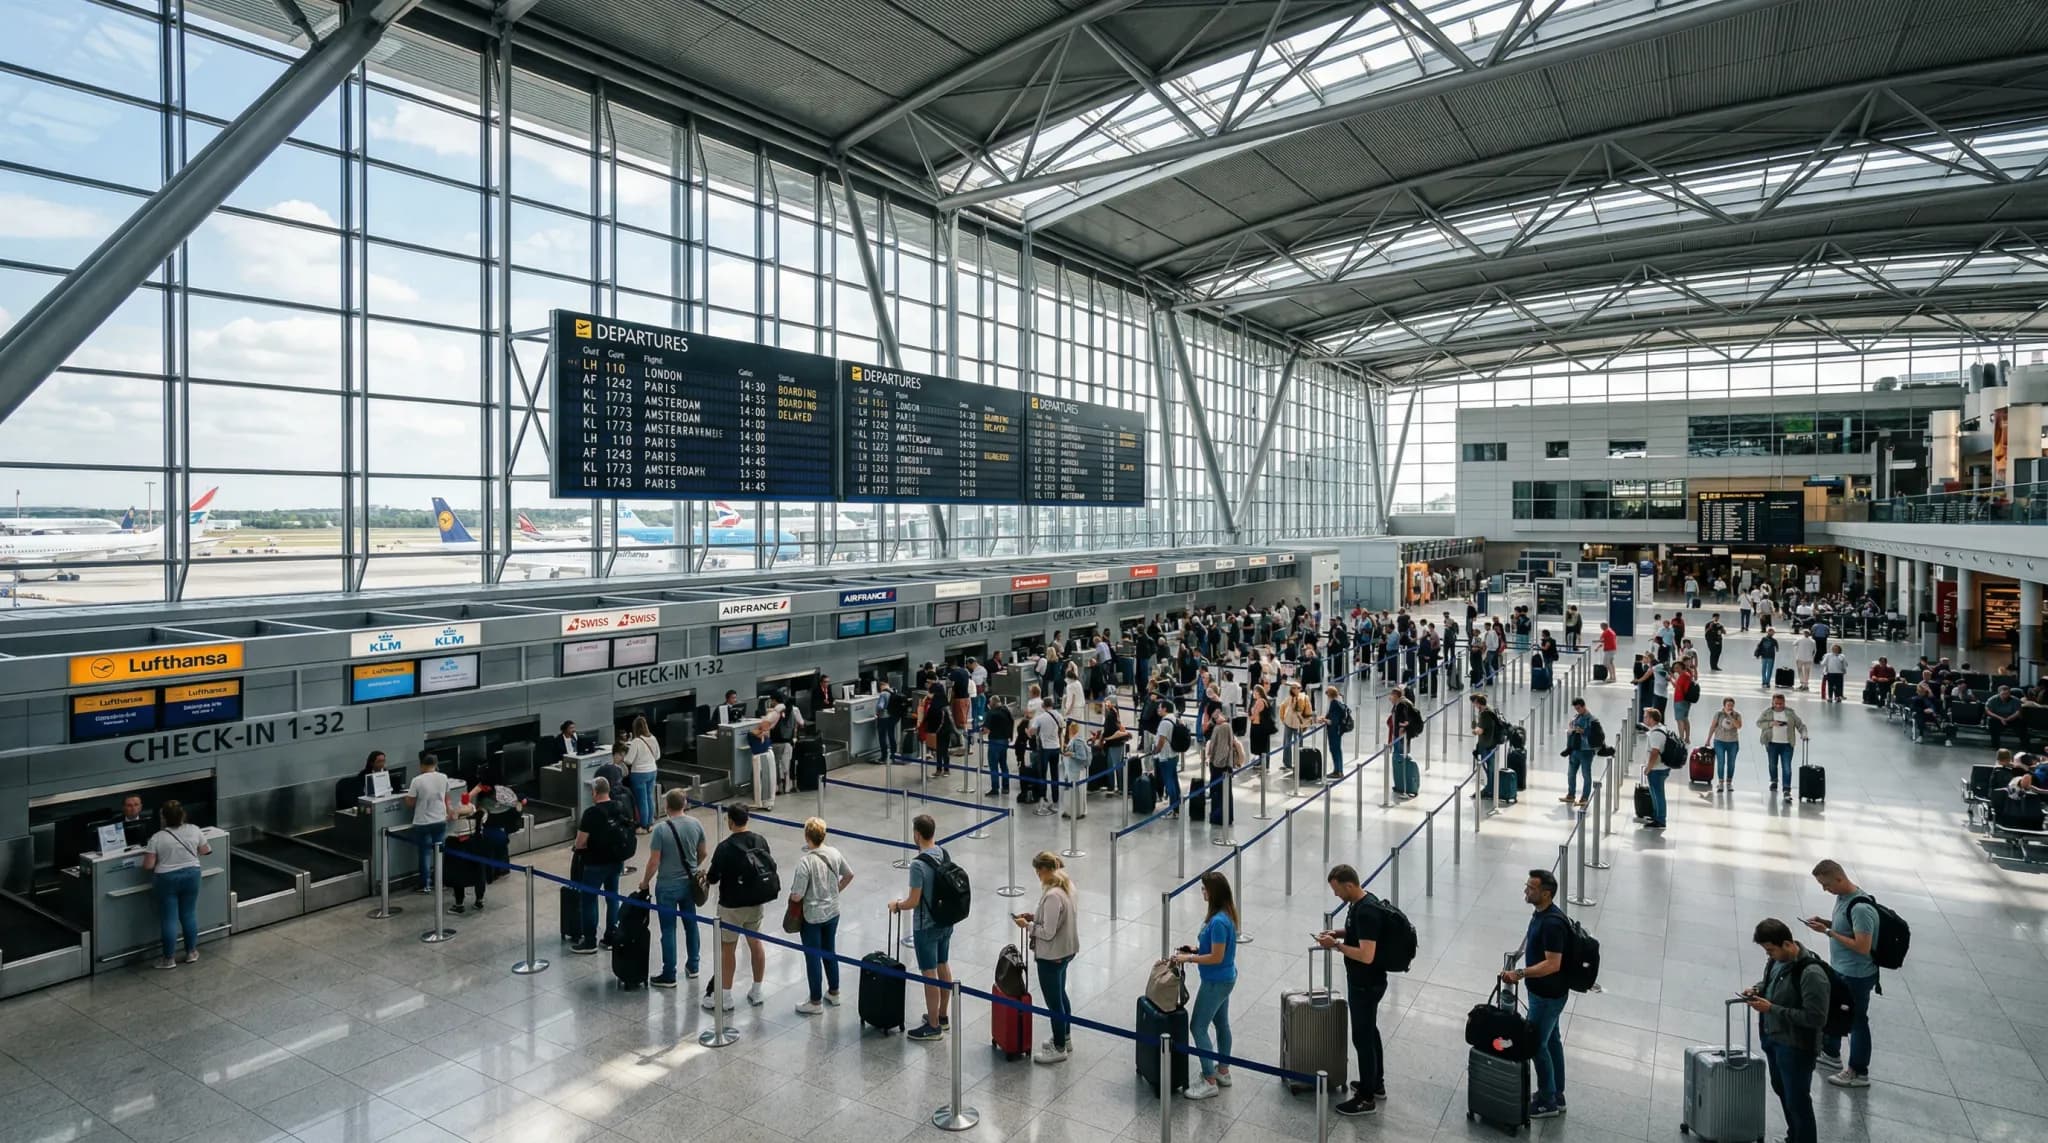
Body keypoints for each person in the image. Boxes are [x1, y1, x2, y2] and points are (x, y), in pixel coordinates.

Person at [1743, 919, 1831, 1143]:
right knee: (1782, 1090)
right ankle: (1793, 1137)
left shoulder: (1811, 973)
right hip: (1773, 1038)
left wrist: (1772, 1009)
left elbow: (1816, 1017)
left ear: (1787, 944)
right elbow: (1769, 984)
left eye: (1771, 950)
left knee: (1797, 1100)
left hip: (1796, 1046)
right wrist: (1756, 989)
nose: (1769, 955)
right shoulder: (1776, 961)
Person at [1499, 868, 1571, 1118]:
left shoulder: (1552, 924)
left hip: (1548, 996)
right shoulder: (1541, 914)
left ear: (1547, 894)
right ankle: (1556, 1093)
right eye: (1527, 885)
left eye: (1531, 888)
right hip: (1546, 993)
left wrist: (1520, 974)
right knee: (1551, 1041)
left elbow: (1553, 964)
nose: (1526, 891)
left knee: (1536, 1044)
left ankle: (1546, 1101)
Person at [1316, 865, 1387, 1116]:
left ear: (1349, 885)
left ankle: (1366, 1098)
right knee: (1370, 1030)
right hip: (1367, 982)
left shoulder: (1366, 911)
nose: (1336, 895)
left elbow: (1366, 955)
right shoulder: (1362, 903)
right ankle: (1375, 1083)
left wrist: (1336, 945)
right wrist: (1337, 933)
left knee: (1362, 1037)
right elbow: (1358, 934)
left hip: (1365, 983)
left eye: (1337, 890)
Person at [1806, 860, 1878, 1088]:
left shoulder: (1861, 908)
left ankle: (1858, 1071)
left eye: (1826, 884)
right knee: (1836, 1011)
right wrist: (1826, 923)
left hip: (1856, 975)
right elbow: (1845, 927)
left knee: (1857, 1021)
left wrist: (1828, 932)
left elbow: (1863, 947)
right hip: (1842, 969)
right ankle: (1831, 1053)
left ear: (1839, 878)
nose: (1824, 889)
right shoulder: (1843, 899)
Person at [1171, 871, 1239, 1099]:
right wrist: (1196, 950)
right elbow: (1213, 951)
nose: (1202, 892)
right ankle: (1223, 1071)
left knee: (1198, 1026)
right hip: (1224, 977)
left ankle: (1209, 1079)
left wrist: (1189, 959)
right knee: (1221, 1023)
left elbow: (1217, 957)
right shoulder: (1223, 916)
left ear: (1213, 892)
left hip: (1215, 981)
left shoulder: (1219, 921)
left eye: (1204, 889)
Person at [892, 814, 957, 1041]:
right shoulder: (943, 853)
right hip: (946, 921)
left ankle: (933, 1026)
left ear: (917, 834)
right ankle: (942, 1016)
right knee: (943, 963)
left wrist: (897, 905)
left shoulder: (918, 865)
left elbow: (913, 901)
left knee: (928, 972)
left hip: (926, 926)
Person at [703, 804, 775, 1009]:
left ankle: (725, 996)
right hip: (756, 902)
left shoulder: (725, 847)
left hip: (731, 905)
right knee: (756, 944)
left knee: (728, 949)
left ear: (730, 821)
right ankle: (757, 990)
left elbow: (713, 877)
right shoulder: (760, 840)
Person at [637, 788, 706, 988]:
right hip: (689, 884)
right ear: (684, 804)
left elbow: (654, 861)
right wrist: (693, 867)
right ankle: (694, 966)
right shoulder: (696, 824)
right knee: (691, 924)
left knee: (668, 929)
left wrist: (644, 882)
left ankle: (669, 973)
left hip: (667, 886)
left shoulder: (660, 829)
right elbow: (703, 852)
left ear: (666, 806)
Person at [1013, 852, 1078, 1063]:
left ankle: (1059, 1048)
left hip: (1052, 955)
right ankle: (1065, 1038)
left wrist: (1028, 926)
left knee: (1054, 1003)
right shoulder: (1067, 886)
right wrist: (1034, 917)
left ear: (1046, 869)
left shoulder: (1052, 896)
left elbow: (1048, 932)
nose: (1037, 874)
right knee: (1061, 994)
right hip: (1066, 951)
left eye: (1038, 870)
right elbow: (1056, 919)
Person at [788, 817, 854, 1015]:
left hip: (812, 917)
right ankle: (834, 992)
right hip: (833, 912)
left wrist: (792, 896)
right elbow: (849, 874)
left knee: (813, 956)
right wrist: (835, 891)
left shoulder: (805, 862)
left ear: (807, 837)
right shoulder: (834, 853)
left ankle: (815, 1001)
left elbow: (798, 895)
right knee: (829, 951)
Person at [141, 800, 210, 969]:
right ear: (183, 815)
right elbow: (205, 850)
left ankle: (168, 959)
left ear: (163, 817)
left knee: (169, 919)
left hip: (166, 879)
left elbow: (148, 865)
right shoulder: (194, 829)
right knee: (188, 914)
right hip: (192, 874)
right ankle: (191, 952)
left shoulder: (157, 838)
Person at [570, 776, 635, 954]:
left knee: (589, 900)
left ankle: (589, 940)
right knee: (612, 897)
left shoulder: (591, 813)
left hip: (595, 863)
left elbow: (581, 842)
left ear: (594, 792)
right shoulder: (620, 806)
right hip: (616, 861)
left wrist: (577, 847)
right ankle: (611, 935)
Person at [404, 752, 454, 892]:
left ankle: (425, 884)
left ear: (422, 765)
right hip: (440, 819)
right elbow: (447, 798)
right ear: (436, 765)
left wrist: (406, 799)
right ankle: (440, 882)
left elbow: (410, 802)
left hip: (423, 821)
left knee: (425, 853)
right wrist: (449, 811)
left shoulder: (417, 780)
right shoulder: (443, 777)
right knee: (439, 852)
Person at [1758, 694, 1809, 802]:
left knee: (1787, 767)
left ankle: (1786, 789)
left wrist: (1804, 734)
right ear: (1772, 702)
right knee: (1772, 764)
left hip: (1787, 744)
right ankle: (1774, 780)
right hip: (1771, 743)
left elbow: (1800, 725)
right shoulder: (1767, 712)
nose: (1778, 706)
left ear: (1784, 703)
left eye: (1780, 703)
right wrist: (1771, 723)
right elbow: (1759, 723)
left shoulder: (1790, 713)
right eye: (1776, 703)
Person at [1203, 705, 1242, 827]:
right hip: (1226, 764)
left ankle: (1218, 816)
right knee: (1225, 792)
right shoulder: (1227, 727)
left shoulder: (1220, 728)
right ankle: (1226, 816)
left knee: (1218, 792)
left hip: (1219, 765)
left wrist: (1214, 761)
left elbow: (1216, 747)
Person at [622, 715, 660, 832]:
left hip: (639, 773)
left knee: (641, 800)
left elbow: (629, 760)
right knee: (649, 797)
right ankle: (650, 823)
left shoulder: (636, 742)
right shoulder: (653, 738)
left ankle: (643, 825)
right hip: (652, 771)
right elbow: (658, 755)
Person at [1639, 708, 1672, 830]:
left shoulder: (1656, 733)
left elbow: (1655, 752)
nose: (1644, 718)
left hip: (1657, 768)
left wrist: (1649, 767)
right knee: (1655, 792)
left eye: (1646, 716)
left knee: (1658, 794)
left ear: (1652, 719)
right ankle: (1656, 815)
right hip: (1659, 767)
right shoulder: (1659, 728)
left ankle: (1660, 819)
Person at [1471, 693, 1507, 800]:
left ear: (1478, 703)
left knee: (1490, 768)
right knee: (1491, 767)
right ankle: (1492, 787)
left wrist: (1474, 730)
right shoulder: (1490, 710)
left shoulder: (1485, 715)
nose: (1474, 706)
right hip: (1492, 744)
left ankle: (1490, 789)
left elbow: (1480, 730)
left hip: (1487, 745)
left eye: (1474, 704)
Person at [769, 693, 805, 793]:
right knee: (788, 764)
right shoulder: (794, 710)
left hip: (775, 741)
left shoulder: (774, 712)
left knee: (776, 764)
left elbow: (770, 726)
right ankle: (789, 786)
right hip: (789, 741)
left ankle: (779, 786)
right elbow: (801, 723)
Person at [1386, 687, 1418, 798]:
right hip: (1399, 737)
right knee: (1398, 759)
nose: (1390, 697)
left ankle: (1403, 786)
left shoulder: (1401, 705)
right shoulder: (1400, 704)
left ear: (1396, 696)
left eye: (1392, 695)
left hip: (1400, 738)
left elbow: (1404, 720)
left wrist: (1401, 729)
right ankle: (1400, 785)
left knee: (1400, 759)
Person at [1563, 698, 1595, 807]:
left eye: (1578, 708)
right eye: (1576, 709)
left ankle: (1585, 797)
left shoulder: (1591, 719)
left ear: (1583, 706)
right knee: (1571, 774)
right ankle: (1571, 794)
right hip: (1575, 749)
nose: (1577, 711)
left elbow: (1593, 734)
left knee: (1586, 774)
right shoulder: (1577, 717)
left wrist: (1582, 731)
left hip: (1586, 751)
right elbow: (1571, 726)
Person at [746, 704, 777, 812]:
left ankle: (769, 801)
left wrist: (765, 731)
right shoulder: (752, 733)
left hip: (767, 755)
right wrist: (763, 732)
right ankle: (761, 801)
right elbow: (756, 734)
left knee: (770, 779)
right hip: (759, 757)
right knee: (761, 780)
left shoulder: (766, 733)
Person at [1707, 698, 1743, 793]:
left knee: (1731, 763)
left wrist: (1730, 717)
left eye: (1732, 705)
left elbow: (1739, 726)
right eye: (1728, 705)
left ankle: (1729, 782)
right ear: (1724, 705)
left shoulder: (1737, 715)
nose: (1730, 707)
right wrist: (1708, 739)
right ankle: (1720, 782)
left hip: (1733, 742)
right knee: (1721, 762)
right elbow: (1713, 726)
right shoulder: (1718, 714)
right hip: (1719, 741)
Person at [1059, 719, 1092, 820]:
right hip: (1072, 769)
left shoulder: (1077, 741)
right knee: (1072, 791)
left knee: (1075, 791)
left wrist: (1071, 754)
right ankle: (1071, 810)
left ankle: (1076, 811)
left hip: (1076, 770)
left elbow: (1082, 756)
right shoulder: (1076, 739)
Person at [983, 695, 1015, 797]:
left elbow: (986, 730)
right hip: (1004, 741)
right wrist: (1010, 736)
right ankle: (1006, 787)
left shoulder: (991, 713)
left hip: (994, 742)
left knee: (993, 766)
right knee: (1003, 764)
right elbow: (1012, 722)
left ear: (992, 703)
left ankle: (995, 788)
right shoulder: (1006, 710)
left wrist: (982, 731)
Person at [1322, 685, 1351, 782]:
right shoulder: (1340, 702)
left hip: (1334, 731)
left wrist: (1323, 720)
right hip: (1338, 730)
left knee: (1334, 750)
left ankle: (1337, 771)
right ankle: (1338, 770)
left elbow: (1332, 721)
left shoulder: (1334, 704)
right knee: (1338, 750)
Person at [1986, 684, 2029, 748]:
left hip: (2012, 718)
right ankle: (1995, 745)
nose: (2006, 696)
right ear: (1999, 693)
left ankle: (2025, 745)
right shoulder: (1992, 700)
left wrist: (2008, 719)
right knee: (1992, 722)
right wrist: (2001, 718)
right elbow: (1988, 711)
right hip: (1998, 718)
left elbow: (2018, 712)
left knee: (2021, 723)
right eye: (2003, 694)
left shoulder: (2016, 700)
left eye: (2008, 693)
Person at [1671, 659, 1696, 741]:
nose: (1675, 669)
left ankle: (1681, 737)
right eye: (1675, 668)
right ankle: (1687, 737)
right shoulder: (1687, 675)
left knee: (1679, 719)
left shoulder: (1683, 676)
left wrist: (1672, 680)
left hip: (1680, 700)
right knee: (1685, 719)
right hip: (1686, 701)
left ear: (1682, 668)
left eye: (1677, 668)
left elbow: (1680, 688)